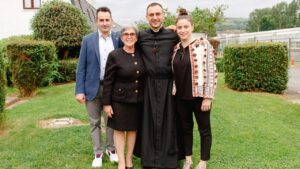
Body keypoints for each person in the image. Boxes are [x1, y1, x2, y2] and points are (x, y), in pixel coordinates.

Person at [134, 2, 184, 169]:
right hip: (148, 84)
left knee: (169, 121)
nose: (155, 18)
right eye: (151, 15)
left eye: (158, 14)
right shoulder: (140, 36)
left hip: (168, 84)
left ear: (163, 16)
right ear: (147, 17)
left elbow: (188, 44)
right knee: (148, 121)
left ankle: (169, 159)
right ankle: (149, 160)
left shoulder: (173, 35)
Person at [171, 9, 217, 169]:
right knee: (185, 129)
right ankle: (188, 159)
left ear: (192, 27)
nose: (182, 30)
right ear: (176, 29)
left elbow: (212, 71)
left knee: (204, 130)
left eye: (185, 27)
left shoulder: (203, 44)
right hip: (180, 97)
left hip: (199, 96)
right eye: (179, 27)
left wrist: (208, 97)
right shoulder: (176, 48)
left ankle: (203, 162)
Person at [75, 7, 121, 168]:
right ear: (96, 22)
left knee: (111, 122)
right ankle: (98, 153)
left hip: (113, 89)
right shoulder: (88, 40)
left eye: (107, 20)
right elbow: (81, 67)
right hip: (92, 89)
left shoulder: (118, 39)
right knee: (94, 122)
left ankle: (111, 149)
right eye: (101, 20)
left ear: (111, 20)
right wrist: (79, 90)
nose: (104, 23)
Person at [102, 26, 144, 169]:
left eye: (132, 34)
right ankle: (121, 161)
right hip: (119, 101)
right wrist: (106, 104)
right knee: (119, 130)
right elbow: (108, 81)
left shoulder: (141, 54)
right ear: (121, 37)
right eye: (126, 34)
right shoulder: (115, 55)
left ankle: (128, 159)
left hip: (137, 100)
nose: (129, 36)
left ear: (137, 38)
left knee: (132, 130)